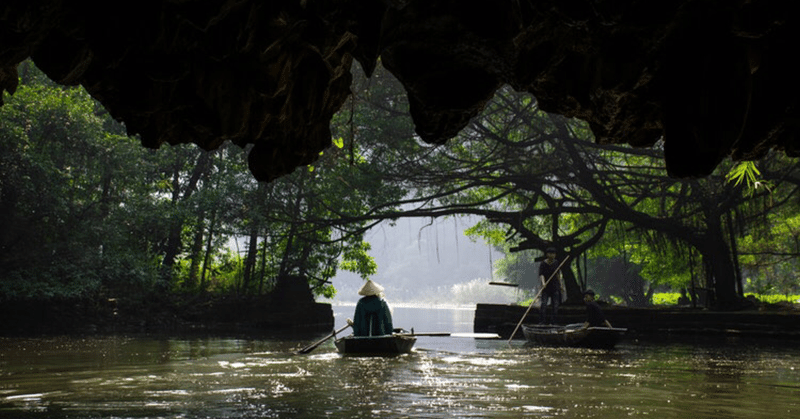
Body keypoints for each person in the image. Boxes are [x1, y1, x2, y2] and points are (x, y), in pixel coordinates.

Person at [538, 247, 563, 324]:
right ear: (547, 254)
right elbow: (541, 274)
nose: (552, 255)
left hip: (555, 287)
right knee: (544, 305)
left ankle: (553, 322)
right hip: (546, 288)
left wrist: (561, 285)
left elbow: (557, 274)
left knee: (555, 306)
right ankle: (542, 321)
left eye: (553, 254)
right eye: (550, 253)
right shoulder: (543, 263)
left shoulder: (556, 263)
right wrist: (543, 283)